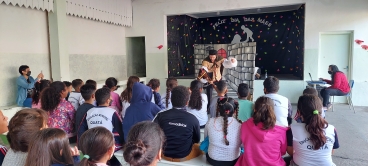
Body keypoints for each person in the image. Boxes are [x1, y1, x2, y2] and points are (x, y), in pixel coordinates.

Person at [235, 96, 288, 166]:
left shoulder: (245, 125)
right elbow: (283, 152)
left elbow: (242, 144)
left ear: (254, 110)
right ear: (272, 111)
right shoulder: (281, 130)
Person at [153, 86, 201, 162]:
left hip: (163, 154)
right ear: (187, 102)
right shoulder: (193, 118)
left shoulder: (160, 115)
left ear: (171, 100)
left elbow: (152, 133)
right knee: (200, 147)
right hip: (184, 155)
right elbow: (197, 139)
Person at [288, 95, 339, 166]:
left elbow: (291, 151)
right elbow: (331, 152)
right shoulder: (332, 129)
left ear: (299, 113)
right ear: (321, 111)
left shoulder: (292, 129)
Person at [205, 97, 242, 166]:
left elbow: (205, 138)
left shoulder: (210, 122)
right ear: (234, 111)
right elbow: (242, 145)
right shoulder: (240, 126)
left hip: (213, 159)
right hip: (233, 161)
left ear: (219, 109)